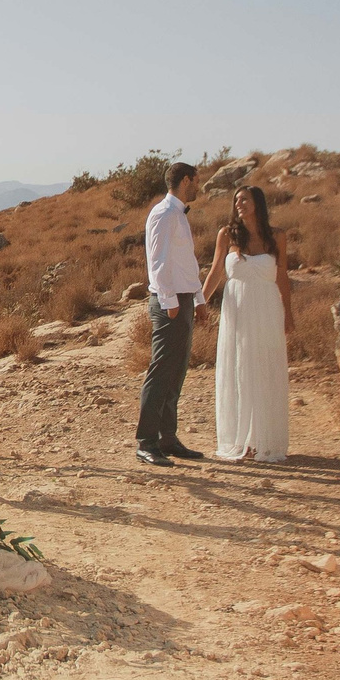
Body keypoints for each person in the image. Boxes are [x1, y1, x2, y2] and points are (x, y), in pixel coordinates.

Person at [202, 184, 295, 462]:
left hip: (267, 309)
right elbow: (216, 271)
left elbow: (282, 277)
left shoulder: (277, 236)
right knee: (240, 369)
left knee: (264, 369)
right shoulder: (227, 234)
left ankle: (263, 439)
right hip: (238, 311)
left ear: (258, 203)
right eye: (236, 200)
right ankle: (242, 441)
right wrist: (199, 303)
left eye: (245, 199)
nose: (239, 204)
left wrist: (288, 313)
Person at [136, 162, 206, 466]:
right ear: (186, 180)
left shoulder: (178, 214)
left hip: (184, 299)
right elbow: (158, 260)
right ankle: (146, 442)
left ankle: (168, 437)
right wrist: (168, 300)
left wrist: (199, 298)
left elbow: (185, 262)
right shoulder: (164, 214)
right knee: (161, 371)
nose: (199, 187)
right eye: (197, 181)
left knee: (176, 372)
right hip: (170, 304)